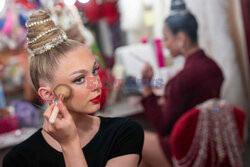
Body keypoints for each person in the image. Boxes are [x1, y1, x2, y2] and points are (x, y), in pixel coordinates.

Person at [3, 10, 144, 167]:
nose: (96, 83)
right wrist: (69, 143)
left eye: (95, 71)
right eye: (79, 79)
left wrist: (70, 144)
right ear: (48, 94)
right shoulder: (19, 160)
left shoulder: (124, 133)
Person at [139, 0, 224, 166]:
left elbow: (163, 127)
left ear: (181, 39)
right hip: (210, 144)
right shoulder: (214, 68)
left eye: (166, 38)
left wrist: (148, 89)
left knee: (132, 139)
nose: (164, 45)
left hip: (186, 150)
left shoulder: (181, 81)